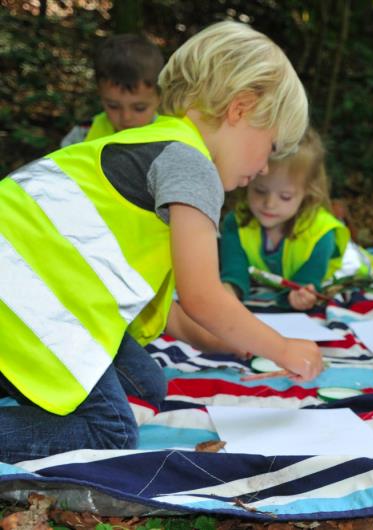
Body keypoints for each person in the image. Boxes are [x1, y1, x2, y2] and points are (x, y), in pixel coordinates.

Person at [0, 21, 323, 463]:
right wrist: (281, 348)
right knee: (110, 431)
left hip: (29, 287)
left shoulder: (156, 143)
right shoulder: (192, 166)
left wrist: (230, 338)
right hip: (22, 297)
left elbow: (171, 308)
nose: (266, 167)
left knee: (146, 386)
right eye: (271, 146)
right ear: (240, 109)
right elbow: (203, 297)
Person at [220, 127, 373, 311]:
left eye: (285, 196)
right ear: (248, 180)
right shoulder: (235, 224)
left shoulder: (321, 234)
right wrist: (228, 292)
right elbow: (234, 273)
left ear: (308, 190)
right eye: (260, 191)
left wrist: (299, 296)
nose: (269, 204)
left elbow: (308, 281)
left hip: (350, 266)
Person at [61, 34, 164, 147]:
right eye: (113, 106)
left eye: (139, 108)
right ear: (100, 94)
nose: (126, 117)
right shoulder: (82, 136)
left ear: (160, 97)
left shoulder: (173, 138)